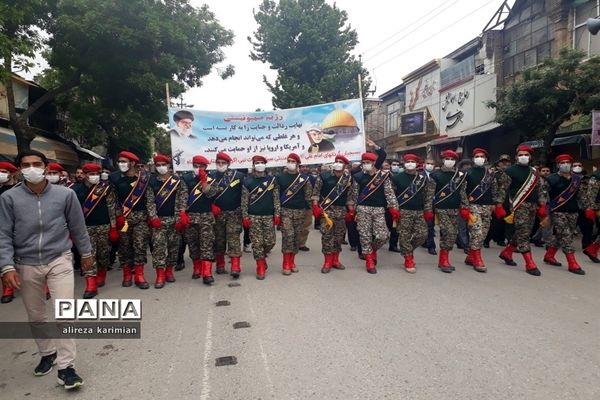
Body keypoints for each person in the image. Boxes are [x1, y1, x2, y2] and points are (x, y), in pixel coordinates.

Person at [0, 150, 93, 390]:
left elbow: (77, 226)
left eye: (37, 164)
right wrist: (6, 266)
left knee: (64, 312)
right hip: (26, 262)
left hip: (59, 259)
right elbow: (3, 234)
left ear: (45, 166)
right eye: (26, 165)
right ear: (20, 169)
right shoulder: (9, 198)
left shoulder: (66, 195)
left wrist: (86, 254)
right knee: (36, 315)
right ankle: (47, 353)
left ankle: (67, 367)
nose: (32, 168)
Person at [109, 150, 160, 289]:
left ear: (132, 163)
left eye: (124, 162)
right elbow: (112, 201)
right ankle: (126, 275)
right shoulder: (114, 179)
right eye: (120, 162)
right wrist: (116, 219)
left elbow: (150, 200)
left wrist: (153, 217)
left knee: (140, 246)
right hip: (123, 221)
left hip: (140, 219)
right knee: (124, 247)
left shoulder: (143, 179)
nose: (121, 164)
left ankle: (139, 275)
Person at [495, 145, 548, 276]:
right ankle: (530, 263)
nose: (523, 157)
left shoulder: (534, 172)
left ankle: (507, 253)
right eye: (520, 155)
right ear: (516, 157)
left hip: (533, 206)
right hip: (519, 205)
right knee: (524, 233)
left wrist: (542, 205)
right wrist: (499, 205)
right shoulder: (510, 171)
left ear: (530, 157)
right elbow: (502, 189)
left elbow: (540, 190)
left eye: (526, 155)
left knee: (524, 232)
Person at [72, 163, 120, 298]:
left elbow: (112, 207)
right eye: (91, 174)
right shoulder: (76, 190)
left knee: (103, 254)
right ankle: (91, 284)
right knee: (88, 255)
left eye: (97, 174)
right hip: (85, 228)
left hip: (104, 226)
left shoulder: (106, 188)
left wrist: (114, 227)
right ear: (85, 175)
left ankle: (102, 274)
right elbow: (73, 212)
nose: (94, 177)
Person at [352, 152, 400, 273]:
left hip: (379, 209)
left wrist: (393, 207)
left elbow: (389, 193)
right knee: (365, 235)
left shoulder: (383, 176)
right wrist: (353, 210)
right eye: (363, 163)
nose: (365, 165)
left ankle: (372, 250)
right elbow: (355, 195)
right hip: (363, 209)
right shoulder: (358, 177)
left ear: (374, 163)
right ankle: (369, 260)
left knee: (383, 235)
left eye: (367, 162)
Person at [424, 149, 469, 273]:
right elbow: (429, 194)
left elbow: (462, 192)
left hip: (455, 208)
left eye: (452, 159)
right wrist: (428, 209)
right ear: (443, 160)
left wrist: (465, 207)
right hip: (441, 208)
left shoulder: (460, 175)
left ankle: (444, 259)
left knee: (452, 234)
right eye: (447, 159)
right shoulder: (435, 175)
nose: (450, 161)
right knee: (449, 232)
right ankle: (443, 260)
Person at [541, 154, 586, 275]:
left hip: (573, 211)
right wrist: (543, 210)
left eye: (567, 162)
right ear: (558, 165)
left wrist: (588, 208)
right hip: (557, 211)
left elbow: (581, 195)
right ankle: (572, 263)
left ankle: (549, 255)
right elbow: (543, 194)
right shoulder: (551, 179)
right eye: (562, 162)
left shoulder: (577, 179)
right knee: (566, 236)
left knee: (563, 235)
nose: (565, 164)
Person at [149, 154, 188, 288]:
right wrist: (153, 217)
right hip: (158, 221)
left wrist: (181, 216)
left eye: (163, 165)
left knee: (173, 247)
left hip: (174, 220)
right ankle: (160, 275)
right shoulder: (152, 182)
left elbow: (183, 199)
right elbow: (150, 201)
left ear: (169, 166)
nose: (161, 167)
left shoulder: (177, 181)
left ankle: (169, 271)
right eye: (158, 165)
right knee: (159, 248)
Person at [311, 154, 355, 273]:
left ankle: (336, 260)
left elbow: (351, 196)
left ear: (345, 165)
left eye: (341, 162)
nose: (338, 163)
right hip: (327, 212)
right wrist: (315, 206)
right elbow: (316, 192)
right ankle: (327, 261)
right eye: (336, 161)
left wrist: (351, 211)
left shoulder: (349, 179)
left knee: (339, 236)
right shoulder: (324, 176)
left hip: (341, 211)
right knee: (327, 236)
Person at [241, 155, 281, 279]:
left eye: (262, 162)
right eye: (257, 163)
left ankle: (262, 258)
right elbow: (244, 200)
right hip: (253, 216)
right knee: (257, 243)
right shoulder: (247, 181)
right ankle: (260, 266)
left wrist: (277, 213)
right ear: (253, 165)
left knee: (270, 242)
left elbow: (276, 198)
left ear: (265, 164)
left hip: (269, 215)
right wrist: (245, 216)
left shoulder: (272, 180)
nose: (259, 165)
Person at [181, 155, 218, 284]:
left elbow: (211, 194)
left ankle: (207, 273)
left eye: (201, 166)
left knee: (207, 244)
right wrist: (182, 213)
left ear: (206, 167)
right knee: (193, 243)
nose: (198, 168)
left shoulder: (211, 179)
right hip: (191, 216)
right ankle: (197, 268)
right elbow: (182, 197)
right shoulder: (185, 179)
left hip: (206, 216)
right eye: (196, 166)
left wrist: (203, 180)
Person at [391, 153, 428, 273]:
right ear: (404, 164)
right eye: (408, 161)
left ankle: (407, 250)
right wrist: (394, 208)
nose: (410, 164)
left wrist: (428, 210)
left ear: (417, 164)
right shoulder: (397, 178)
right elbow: (391, 196)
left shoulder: (423, 178)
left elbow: (427, 195)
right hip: (403, 211)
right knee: (404, 235)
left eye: (413, 161)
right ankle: (408, 258)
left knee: (422, 235)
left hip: (419, 211)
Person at [276, 153, 312, 275]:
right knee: (288, 236)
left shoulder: (304, 178)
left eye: (293, 161)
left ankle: (292, 261)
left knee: (297, 237)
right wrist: (277, 212)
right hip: (285, 210)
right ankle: (285, 263)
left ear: (297, 164)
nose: (290, 163)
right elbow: (276, 196)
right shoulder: (279, 177)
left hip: (300, 211)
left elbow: (308, 196)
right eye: (289, 161)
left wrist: (313, 209)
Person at [211, 152, 245, 278]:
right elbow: (206, 195)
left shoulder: (239, 176)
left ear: (228, 164)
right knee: (219, 240)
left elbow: (244, 194)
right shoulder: (210, 176)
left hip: (234, 213)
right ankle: (220, 265)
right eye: (218, 163)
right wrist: (211, 206)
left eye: (223, 163)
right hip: (217, 215)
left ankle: (235, 267)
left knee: (234, 239)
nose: (220, 165)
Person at [463, 148, 498, 273]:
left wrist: (495, 204)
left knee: (483, 233)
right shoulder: (467, 173)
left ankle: (470, 256)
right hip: (473, 206)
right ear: (473, 159)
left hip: (487, 207)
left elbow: (494, 189)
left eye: (482, 156)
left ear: (486, 159)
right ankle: (477, 260)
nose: (479, 158)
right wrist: (464, 206)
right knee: (476, 233)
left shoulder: (490, 173)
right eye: (477, 156)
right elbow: (463, 191)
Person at [0, 161, 18, 303]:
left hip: (17, 228)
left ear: (12, 174)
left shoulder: (18, 190)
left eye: (4, 171)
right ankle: (8, 288)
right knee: (3, 257)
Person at [422, 158, 437, 255]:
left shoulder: (437, 176)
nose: (430, 165)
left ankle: (431, 246)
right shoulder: (419, 176)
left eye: (432, 164)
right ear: (424, 165)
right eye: (428, 163)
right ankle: (426, 242)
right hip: (422, 204)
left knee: (431, 225)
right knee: (424, 225)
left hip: (433, 204)